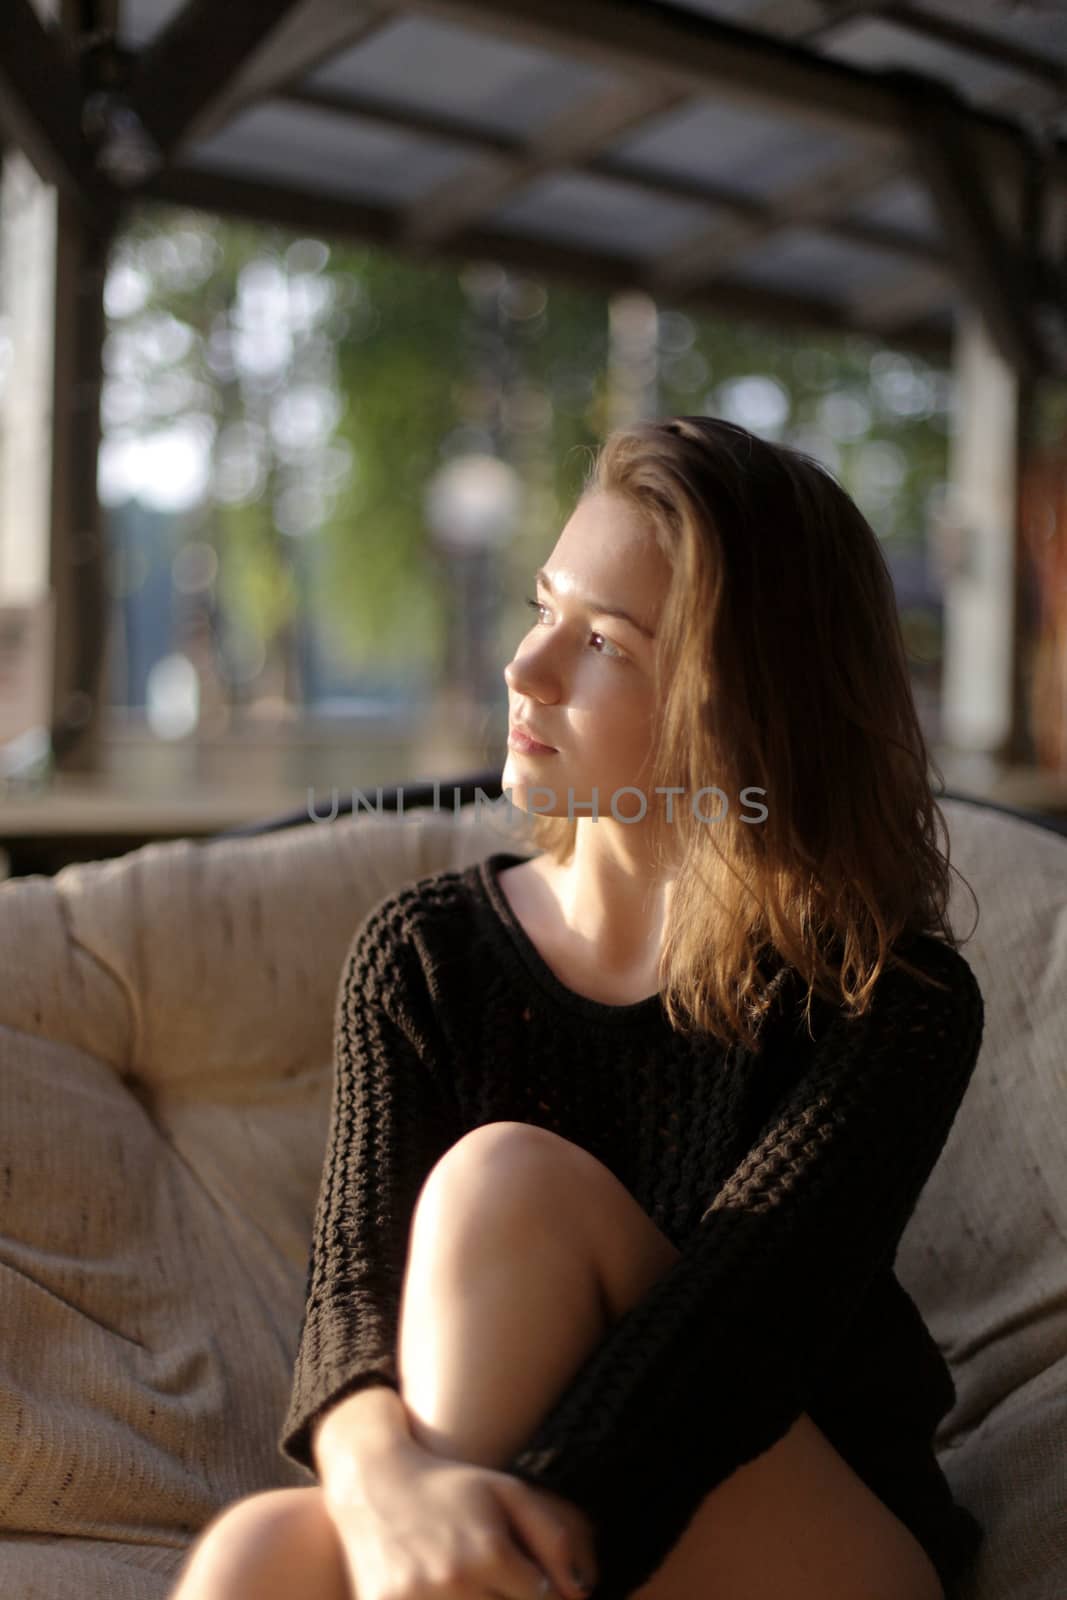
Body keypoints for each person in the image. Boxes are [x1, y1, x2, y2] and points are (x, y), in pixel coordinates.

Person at [169, 415, 986, 1600]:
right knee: (251, 1558)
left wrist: (477, 1542)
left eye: (602, 639)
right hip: (520, 1502)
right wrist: (383, 1484)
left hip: (808, 1527)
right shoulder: (424, 959)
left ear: (738, 706)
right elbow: (351, 1287)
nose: (527, 666)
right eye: (542, 605)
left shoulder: (884, 995)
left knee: (509, 1181)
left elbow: (729, 1344)